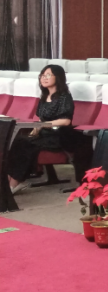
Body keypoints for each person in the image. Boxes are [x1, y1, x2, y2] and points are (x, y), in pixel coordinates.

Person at [7, 65, 77, 195]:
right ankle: (9, 180)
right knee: (19, 141)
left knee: (27, 144)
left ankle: (16, 182)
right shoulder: (44, 97)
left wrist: (43, 125)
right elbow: (40, 119)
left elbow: (65, 121)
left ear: (58, 77)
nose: (44, 78)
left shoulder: (64, 97)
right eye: (42, 75)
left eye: (48, 75)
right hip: (44, 135)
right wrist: (35, 130)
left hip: (58, 136)